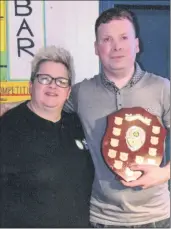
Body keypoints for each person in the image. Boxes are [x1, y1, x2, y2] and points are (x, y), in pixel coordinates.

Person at [1, 8, 170, 228]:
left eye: (124, 38)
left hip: (156, 218)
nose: (116, 46)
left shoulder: (163, 89)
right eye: (107, 39)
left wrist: (164, 174)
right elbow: (48, 100)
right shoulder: (81, 93)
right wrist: (7, 106)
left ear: (137, 45)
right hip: (101, 219)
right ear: (96, 48)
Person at [0, 46, 94, 228]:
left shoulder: (75, 123)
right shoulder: (8, 127)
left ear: (68, 92)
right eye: (44, 78)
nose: (53, 85)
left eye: (61, 81)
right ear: (30, 85)